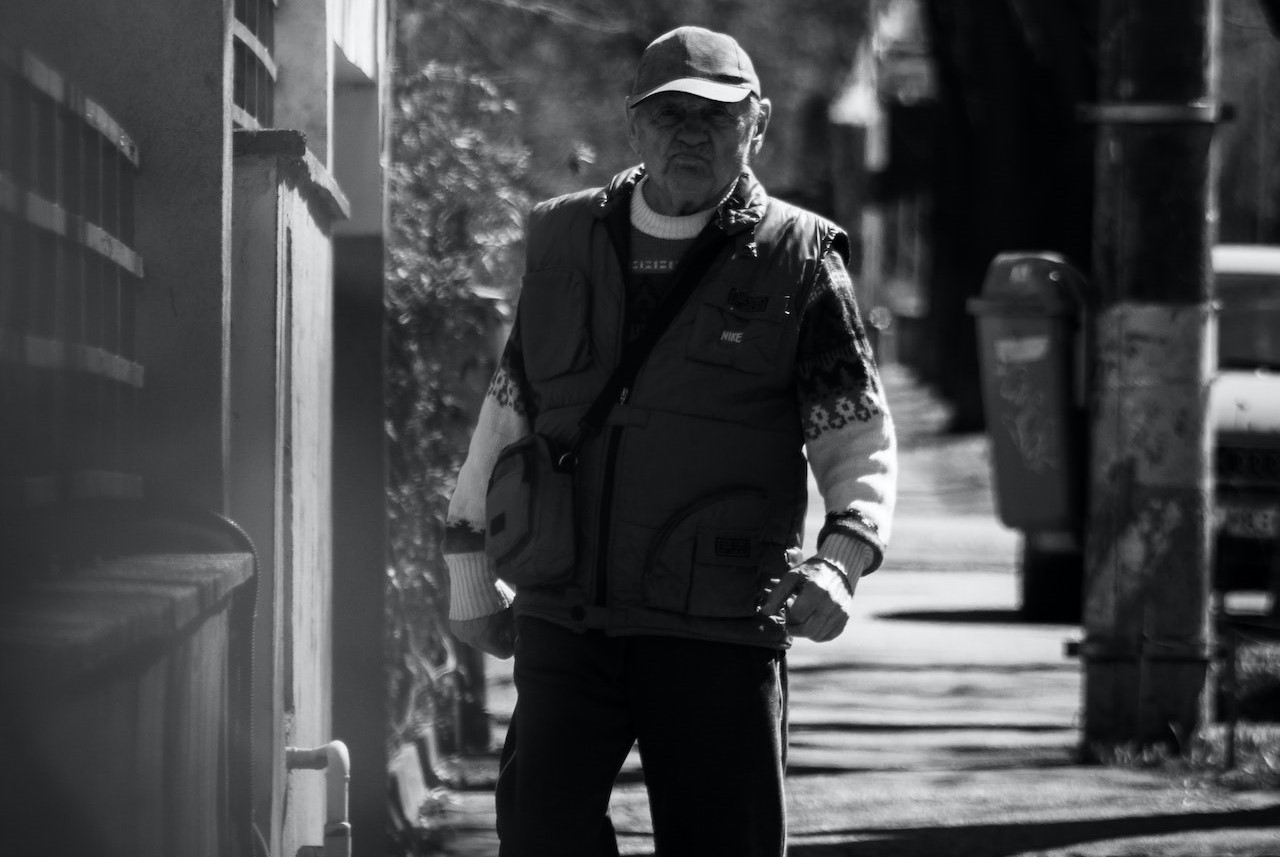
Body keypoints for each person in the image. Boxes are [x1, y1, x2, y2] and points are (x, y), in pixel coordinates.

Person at [443, 25, 896, 857]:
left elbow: (857, 430)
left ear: (755, 125)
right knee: (540, 831)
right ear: (633, 125)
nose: (692, 133)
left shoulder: (797, 259)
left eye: (717, 117)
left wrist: (842, 558)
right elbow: (510, 407)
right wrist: (469, 563)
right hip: (568, 609)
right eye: (671, 114)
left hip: (717, 620)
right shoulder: (563, 242)